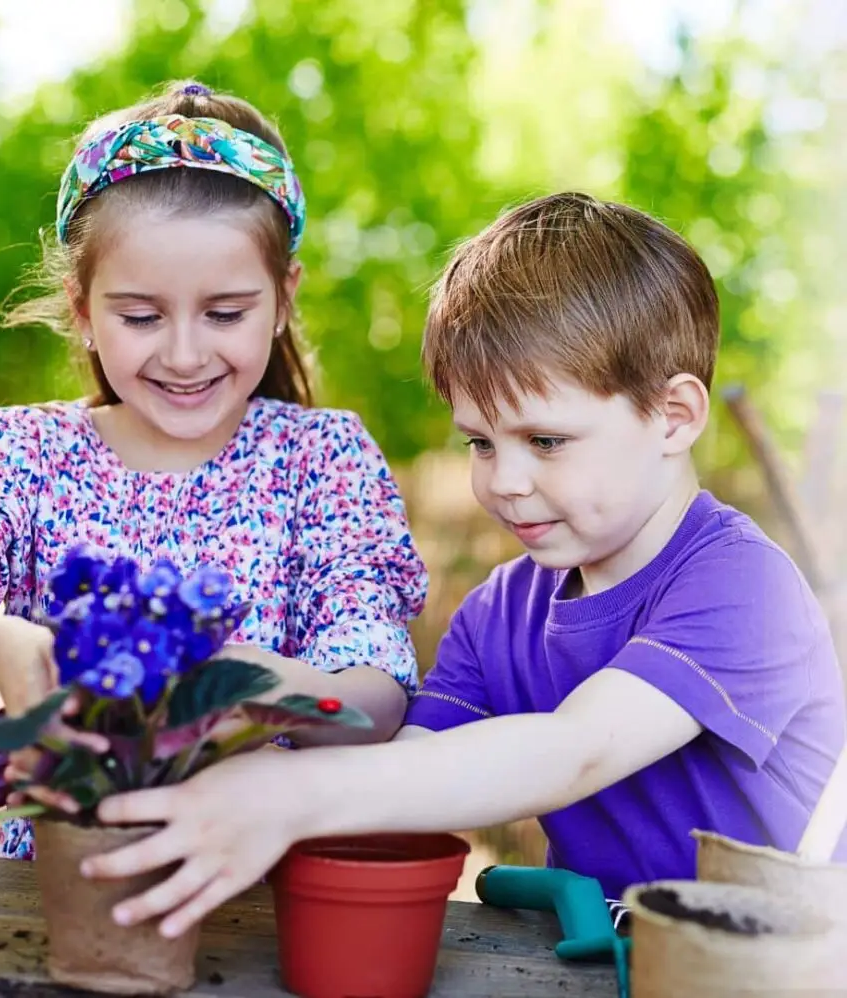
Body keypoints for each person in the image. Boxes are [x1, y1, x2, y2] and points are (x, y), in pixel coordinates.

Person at [75, 192, 846, 941]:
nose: (504, 480)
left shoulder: (742, 586)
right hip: (605, 958)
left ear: (673, 417)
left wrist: (295, 791)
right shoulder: (498, 613)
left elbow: (575, 750)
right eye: (480, 442)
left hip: (787, 965)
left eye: (545, 441)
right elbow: (418, 775)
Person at [0, 80, 427, 861]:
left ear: (284, 297)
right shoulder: (32, 453)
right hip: (61, 899)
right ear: (82, 308)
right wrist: (5, 650)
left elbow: (375, 688)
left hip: (262, 905)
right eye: (141, 316)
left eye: (226, 313)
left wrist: (268, 694)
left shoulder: (321, 461)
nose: (185, 355)